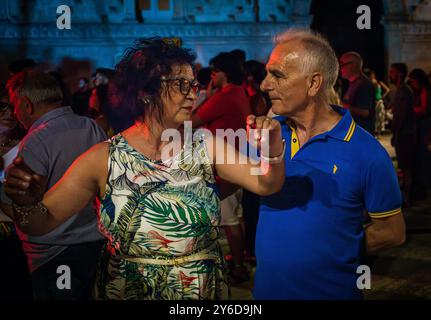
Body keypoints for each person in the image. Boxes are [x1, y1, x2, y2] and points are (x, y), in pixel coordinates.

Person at [4, 38, 285, 300]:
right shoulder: (104, 157)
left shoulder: (206, 145)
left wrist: (272, 148)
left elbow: (267, 184)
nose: (193, 94)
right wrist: (26, 201)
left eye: (193, 85)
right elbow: (39, 223)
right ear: (146, 92)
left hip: (198, 290)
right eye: (181, 85)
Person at [254, 29, 405, 300]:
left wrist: (334, 249)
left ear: (313, 84)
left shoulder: (367, 152)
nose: (264, 85)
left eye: (277, 75)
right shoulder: (267, 135)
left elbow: (392, 232)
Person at [1, 70, 107, 300]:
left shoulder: (37, 139)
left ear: (27, 105)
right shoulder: (90, 127)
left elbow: (16, 200)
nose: (13, 113)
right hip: (93, 244)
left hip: (55, 251)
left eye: (14, 106)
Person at [192, 51, 252, 284]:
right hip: (239, 162)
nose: (212, 76)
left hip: (226, 166)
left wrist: (208, 95)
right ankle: (240, 260)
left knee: (229, 219)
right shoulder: (239, 93)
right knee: (236, 216)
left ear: (222, 74)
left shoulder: (224, 96)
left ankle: (237, 267)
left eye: (214, 72)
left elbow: (192, 121)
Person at [0, 87, 31, 300]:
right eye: (2, 108)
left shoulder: (28, 142)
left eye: (12, 108)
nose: (9, 113)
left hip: (16, 228)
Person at [388, 63, 415, 206]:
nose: (390, 75)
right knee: (404, 167)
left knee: (406, 167)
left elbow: (402, 116)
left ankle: (407, 197)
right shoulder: (400, 91)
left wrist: (396, 133)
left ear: (399, 74)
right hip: (402, 134)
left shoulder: (404, 92)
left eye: (392, 72)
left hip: (405, 135)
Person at [408, 68, 431, 197]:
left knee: (424, 156)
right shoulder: (420, 90)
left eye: (413, 81)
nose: (412, 84)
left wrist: (410, 109)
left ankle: (424, 185)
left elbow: (424, 109)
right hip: (422, 124)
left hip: (425, 125)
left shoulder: (424, 90)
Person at [340, 52, 375, 135]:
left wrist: (342, 106)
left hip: (361, 135)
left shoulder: (364, 84)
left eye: (342, 65)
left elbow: (366, 112)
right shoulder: (354, 83)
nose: (340, 69)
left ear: (352, 65)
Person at [364, 68, 391, 136]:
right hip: (375, 101)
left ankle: (378, 133)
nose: (372, 75)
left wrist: (382, 97)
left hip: (378, 101)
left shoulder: (376, 82)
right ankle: (376, 133)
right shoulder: (370, 82)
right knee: (376, 116)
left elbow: (388, 90)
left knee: (379, 116)